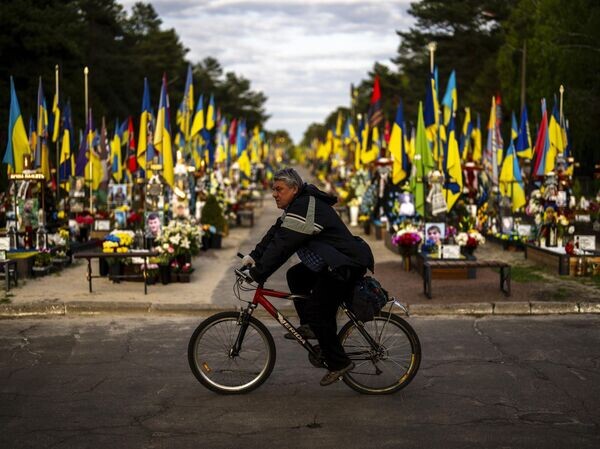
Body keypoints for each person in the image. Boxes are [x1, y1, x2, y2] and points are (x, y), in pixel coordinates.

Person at [242, 168, 374, 387]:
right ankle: (312, 327)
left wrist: (258, 273)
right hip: (331, 263)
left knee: (319, 309)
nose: (275, 194)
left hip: (343, 265)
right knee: (296, 276)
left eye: (279, 189)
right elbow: (275, 233)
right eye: (273, 189)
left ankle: (338, 362)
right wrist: (253, 257)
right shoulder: (297, 204)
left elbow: (283, 245)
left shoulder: (305, 207)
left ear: (294, 189)